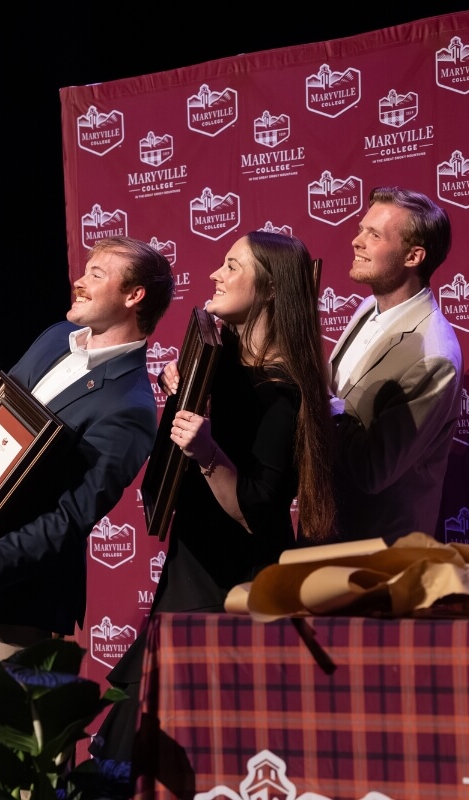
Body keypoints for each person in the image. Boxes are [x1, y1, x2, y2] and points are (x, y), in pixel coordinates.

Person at [92, 231, 337, 777]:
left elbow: (258, 511)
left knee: (186, 757)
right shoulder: (225, 359)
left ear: (270, 288)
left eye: (231, 266)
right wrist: (181, 384)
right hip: (191, 568)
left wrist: (208, 453)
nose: (214, 276)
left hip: (231, 590)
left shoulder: (283, 389)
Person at [0, 236, 173, 658]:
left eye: (96, 274)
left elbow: (69, 518)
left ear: (134, 295)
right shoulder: (58, 336)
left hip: (12, 597)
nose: (79, 281)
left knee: (1, 724)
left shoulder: (130, 407)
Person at [328, 187, 461, 541]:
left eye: (374, 235)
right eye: (361, 229)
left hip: (376, 560)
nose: (357, 241)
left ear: (414, 255)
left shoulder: (434, 357)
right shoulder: (366, 309)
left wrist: (322, 403)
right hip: (326, 535)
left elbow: (374, 470)